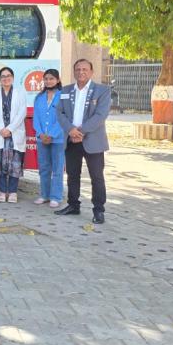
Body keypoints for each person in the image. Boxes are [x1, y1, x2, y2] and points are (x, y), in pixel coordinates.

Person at [55, 59, 111, 224]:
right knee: (72, 175)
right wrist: (70, 130)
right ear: (74, 72)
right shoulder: (65, 90)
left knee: (96, 176)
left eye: (85, 69)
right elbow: (60, 113)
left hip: (93, 140)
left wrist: (80, 131)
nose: (81, 72)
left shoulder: (102, 91)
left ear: (91, 72)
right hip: (71, 139)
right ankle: (73, 205)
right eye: (78, 69)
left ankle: (98, 210)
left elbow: (100, 115)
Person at [0, 66, 27, 203]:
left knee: (15, 163)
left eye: (8, 75)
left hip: (14, 133)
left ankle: (13, 192)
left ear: (13, 77)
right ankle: (2, 191)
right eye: (3, 76)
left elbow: (22, 112)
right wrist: (1, 129)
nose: (6, 78)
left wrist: (10, 129)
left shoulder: (20, 93)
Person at [32, 69, 65, 209]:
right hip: (42, 139)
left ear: (57, 80)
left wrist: (51, 134)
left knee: (57, 168)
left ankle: (56, 197)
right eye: (46, 79)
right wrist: (40, 134)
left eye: (51, 78)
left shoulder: (63, 96)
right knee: (44, 168)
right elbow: (36, 118)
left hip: (57, 139)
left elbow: (64, 117)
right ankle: (44, 195)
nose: (48, 81)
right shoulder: (39, 97)